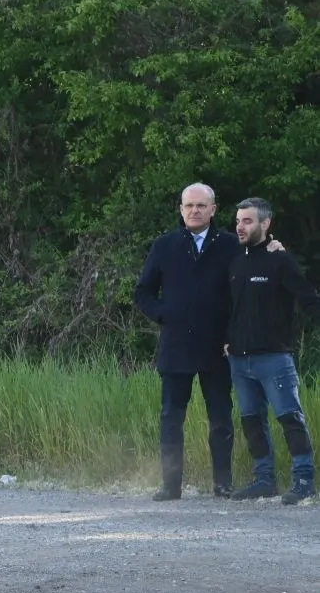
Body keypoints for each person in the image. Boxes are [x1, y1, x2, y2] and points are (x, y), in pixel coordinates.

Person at [133, 183, 239, 500]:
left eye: (201, 206)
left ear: (213, 209)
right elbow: (143, 292)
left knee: (221, 415)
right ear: (181, 209)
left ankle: (223, 483)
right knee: (171, 417)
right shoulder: (165, 246)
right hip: (176, 345)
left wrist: (233, 334)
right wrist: (165, 314)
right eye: (189, 205)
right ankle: (170, 484)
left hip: (217, 346)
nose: (194, 211)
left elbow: (243, 293)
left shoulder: (230, 246)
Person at [225, 197, 320, 504]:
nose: (240, 226)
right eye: (238, 221)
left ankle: (304, 479)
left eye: (247, 221)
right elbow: (231, 308)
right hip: (239, 359)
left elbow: (308, 298)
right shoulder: (236, 262)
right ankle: (263, 479)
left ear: (265, 224)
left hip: (274, 358)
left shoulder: (281, 260)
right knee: (251, 420)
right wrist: (228, 339)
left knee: (290, 418)